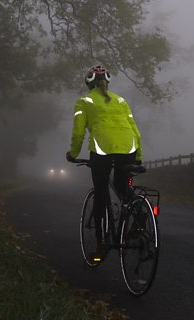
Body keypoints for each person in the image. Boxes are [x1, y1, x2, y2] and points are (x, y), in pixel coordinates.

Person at [66, 65, 142, 261]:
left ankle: (100, 248)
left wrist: (72, 153)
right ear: (107, 82)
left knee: (100, 194)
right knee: (122, 186)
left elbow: (78, 132)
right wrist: (138, 155)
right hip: (129, 148)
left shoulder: (84, 101)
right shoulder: (121, 101)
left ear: (88, 83)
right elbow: (134, 129)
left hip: (102, 151)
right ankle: (140, 215)